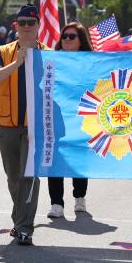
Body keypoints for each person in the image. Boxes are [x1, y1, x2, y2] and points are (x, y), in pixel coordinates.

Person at [0, 4, 47, 246]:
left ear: (39, 25)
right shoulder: (2, 52)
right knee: (13, 177)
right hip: (7, 125)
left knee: (29, 176)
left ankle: (24, 228)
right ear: (16, 26)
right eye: (22, 23)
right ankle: (20, 219)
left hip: (35, 127)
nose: (26, 26)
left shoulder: (48, 54)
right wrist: (16, 64)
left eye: (31, 22)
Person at [47, 22, 92, 219]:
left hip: (82, 118)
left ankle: (80, 197)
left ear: (81, 41)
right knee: (55, 158)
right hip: (56, 117)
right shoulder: (52, 60)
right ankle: (56, 203)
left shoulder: (90, 62)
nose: (66, 39)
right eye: (64, 36)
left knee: (78, 159)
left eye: (71, 36)